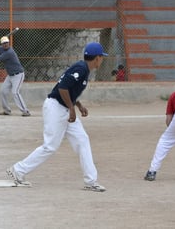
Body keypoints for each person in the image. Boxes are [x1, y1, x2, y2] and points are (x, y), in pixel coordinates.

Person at [6, 42, 108, 192]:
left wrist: (78, 105)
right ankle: (18, 170)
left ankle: (91, 181)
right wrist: (72, 108)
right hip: (56, 108)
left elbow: (70, 90)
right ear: (97, 58)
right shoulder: (80, 68)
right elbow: (63, 88)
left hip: (64, 108)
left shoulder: (83, 69)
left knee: (82, 140)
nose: (102, 60)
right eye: (102, 57)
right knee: (50, 146)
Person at [0, 36, 31, 117]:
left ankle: (25, 111)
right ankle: (7, 110)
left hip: (18, 75)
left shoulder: (9, 52)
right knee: (3, 91)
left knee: (15, 92)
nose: (5, 44)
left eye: (6, 43)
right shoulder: (2, 48)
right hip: (10, 76)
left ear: (9, 43)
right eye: (4, 43)